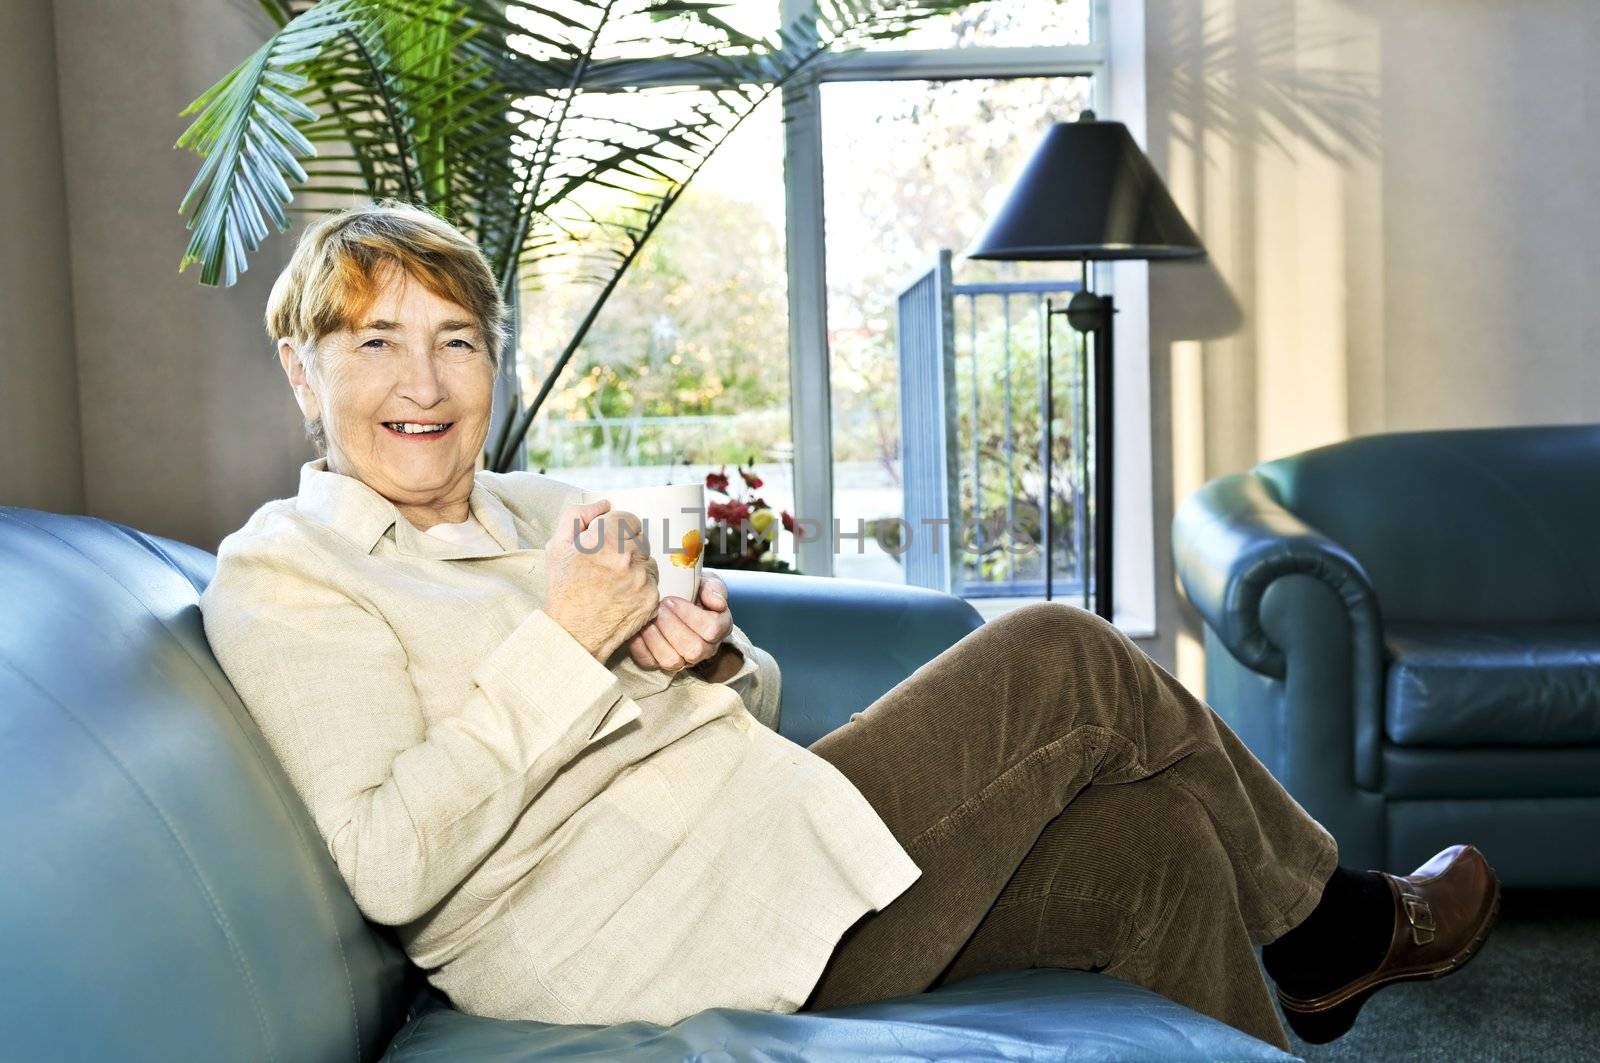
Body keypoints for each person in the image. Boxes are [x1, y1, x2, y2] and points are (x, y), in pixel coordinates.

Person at [200, 200, 1500, 1052]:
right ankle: (1332, 932)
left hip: (774, 851)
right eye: (374, 343)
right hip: (634, 940)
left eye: (458, 341)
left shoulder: (539, 507)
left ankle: (1297, 991)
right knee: (1060, 653)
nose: (422, 385)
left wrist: (708, 656)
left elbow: (741, 712)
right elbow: (383, 861)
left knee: (1150, 841)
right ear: (303, 372)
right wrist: (565, 646)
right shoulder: (287, 572)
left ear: (495, 364)